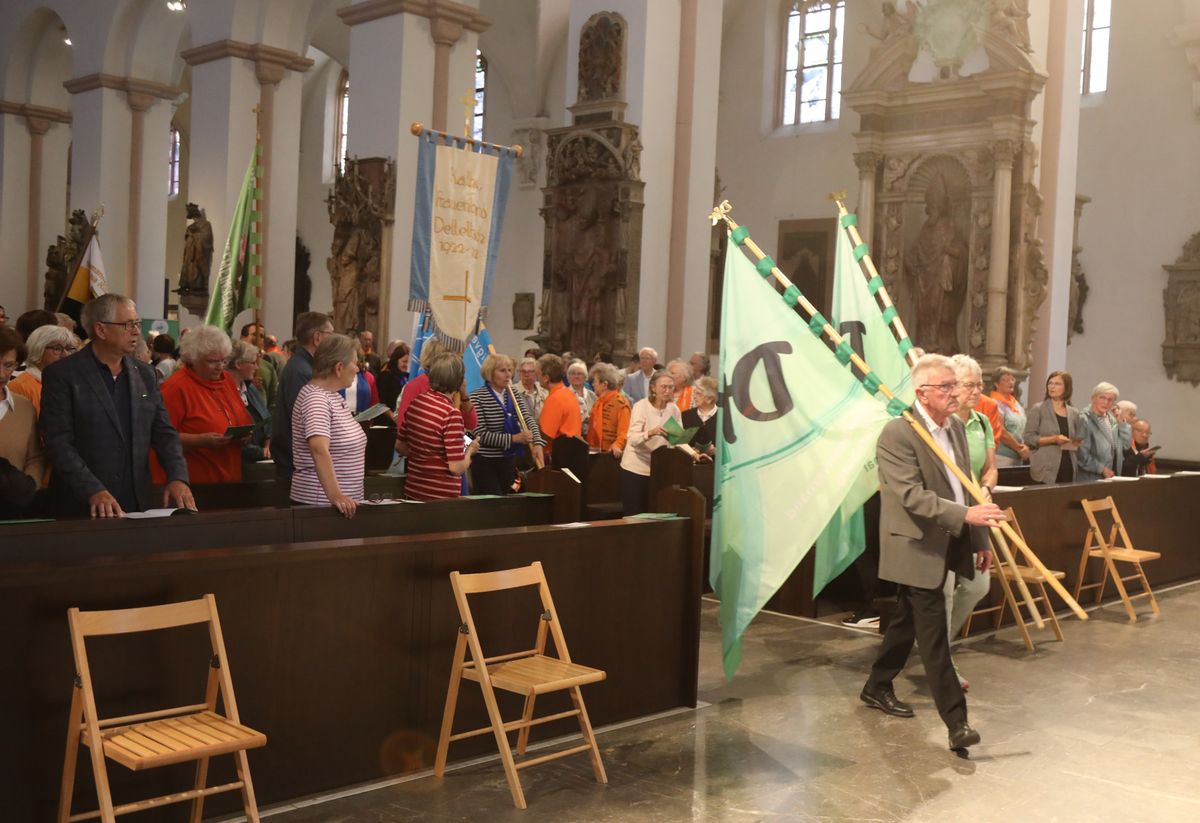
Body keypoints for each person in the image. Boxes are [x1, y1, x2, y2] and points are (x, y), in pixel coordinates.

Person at [860, 354, 1001, 751]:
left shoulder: (953, 428)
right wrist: (968, 516)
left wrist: (979, 539)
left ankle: (876, 684)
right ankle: (957, 722)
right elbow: (910, 496)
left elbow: (965, 487)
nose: (955, 393)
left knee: (906, 618)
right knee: (932, 629)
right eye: (947, 387)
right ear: (922, 392)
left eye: (955, 386)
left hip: (952, 535)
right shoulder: (898, 433)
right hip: (915, 543)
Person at [41, 294, 195, 517]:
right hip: (83, 505)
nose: (136, 331)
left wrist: (178, 477)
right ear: (101, 330)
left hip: (136, 501)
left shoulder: (145, 373)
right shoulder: (63, 375)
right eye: (128, 325)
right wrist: (93, 489)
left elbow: (164, 433)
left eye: (137, 324)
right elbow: (58, 443)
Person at [946, 354, 997, 690]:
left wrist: (987, 486)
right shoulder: (942, 423)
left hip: (975, 512)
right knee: (946, 590)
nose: (977, 390)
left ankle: (938, 643)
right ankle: (943, 659)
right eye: (969, 384)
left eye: (980, 384)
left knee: (979, 584)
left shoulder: (981, 423)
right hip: (947, 514)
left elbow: (990, 467)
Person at [154, 325, 253, 485]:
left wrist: (243, 436)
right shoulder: (176, 387)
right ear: (193, 359)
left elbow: (240, 417)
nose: (220, 366)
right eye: (212, 361)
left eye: (224, 360)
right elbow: (160, 437)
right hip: (195, 483)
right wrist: (200, 441)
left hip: (229, 480)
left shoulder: (226, 379)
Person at [290, 333, 368, 517]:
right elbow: (319, 449)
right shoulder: (316, 399)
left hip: (338, 505)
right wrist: (336, 495)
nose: (357, 369)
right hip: (321, 505)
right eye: (355, 363)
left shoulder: (330, 395)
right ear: (339, 368)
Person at [398, 353, 480, 501]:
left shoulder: (417, 402)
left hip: (414, 489)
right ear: (459, 381)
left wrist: (426, 457)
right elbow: (456, 468)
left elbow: (400, 447)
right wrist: (470, 450)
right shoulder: (451, 414)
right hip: (440, 497)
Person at [468, 353, 544, 494]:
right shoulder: (476, 397)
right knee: (493, 504)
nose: (508, 375)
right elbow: (480, 434)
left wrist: (538, 442)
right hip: (485, 462)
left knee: (508, 502)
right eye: (502, 371)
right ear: (490, 373)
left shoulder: (513, 394)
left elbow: (527, 418)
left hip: (508, 460)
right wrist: (515, 439)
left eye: (509, 370)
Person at [272, 311, 333, 480]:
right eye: (331, 334)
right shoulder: (301, 371)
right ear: (317, 337)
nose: (333, 340)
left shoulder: (305, 366)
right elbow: (305, 419)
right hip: (296, 463)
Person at [620, 370, 681, 516]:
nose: (667, 391)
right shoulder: (641, 406)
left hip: (659, 469)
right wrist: (650, 433)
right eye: (663, 387)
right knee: (634, 515)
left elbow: (679, 439)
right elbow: (633, 439)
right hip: (636, 468)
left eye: (671, 387)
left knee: (655, 515)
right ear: (653, 387)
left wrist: (694, 454)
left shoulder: (673, 409)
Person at [0, 327, 45, 486]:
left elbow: (35, 458)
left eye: (8, 365)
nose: (1, 374)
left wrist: (30, 486)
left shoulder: (24, 407)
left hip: (13, 507)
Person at [1023, 370, 1080, 485]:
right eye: (1050, 383)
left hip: (1068, 466)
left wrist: (1075, 442)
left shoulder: (1074, 412)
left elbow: (1077, 439)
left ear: (1066, 387)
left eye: (1057, 384)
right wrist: (1054, 439)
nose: (1052, 387)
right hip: (1044, 468)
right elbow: (1028, 438)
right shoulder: (1038, 409)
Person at [7, 324, 79, 415]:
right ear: (39, 350)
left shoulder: (70, 384)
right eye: (57, 349)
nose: (65, 355)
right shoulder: (21, 386)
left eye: (69, 349)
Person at [227, 339, 271, 464]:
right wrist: (261, 452)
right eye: (253, 363)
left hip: (258, 461)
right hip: (238, 463)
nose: (257, 367)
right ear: (238, 364)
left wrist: (268, 442)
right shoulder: (223, 392)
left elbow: (266, 419)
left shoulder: (250, 388)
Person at [537, 353, 582, 461]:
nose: (537, 377)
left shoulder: (555, 398)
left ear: (546, 378)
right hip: (572, 453)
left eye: (538, 374)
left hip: (558, 456)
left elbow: (545, 434)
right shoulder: (567, 393)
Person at [1076, 382, 1123, 482]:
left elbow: (1125, 446)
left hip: (1110, 477)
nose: (1106, 402)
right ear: (1093, 398)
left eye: (1110, 400)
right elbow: (1081, 454)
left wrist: (1121, 422)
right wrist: (1101, 469)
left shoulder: (1112, 419)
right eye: (1102, 398)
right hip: (1089, 479)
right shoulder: (1083, 419)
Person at [587, 363, 631, 457]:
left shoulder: (621, 403)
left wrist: (617, 445)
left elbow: (624, 432)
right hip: (594, 453)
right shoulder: (597, 403)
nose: (593, 384)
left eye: (595, 381)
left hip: (610, 456)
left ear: (604, 384)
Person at [989, 366, 1029, 466]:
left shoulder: (1016, 404)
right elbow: (1001, 431)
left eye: (1012, 379)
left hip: (1018, 456)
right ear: (996, 384)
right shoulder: (994, 403)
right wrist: (1019, 448)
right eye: (1005, 380)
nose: (1010, 382)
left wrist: (1024, 447)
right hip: (1002, 456)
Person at [240, 322, 278, 411]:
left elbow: (274, 398)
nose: (257, 339)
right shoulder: (233, 363)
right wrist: (248, 385)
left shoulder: (268, 367)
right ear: (242, 337)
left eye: (261, 336)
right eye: (254, 335)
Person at [681, 376, 719, 456]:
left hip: (714, 466)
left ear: (709, 399)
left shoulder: (723, 418)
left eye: (698, 394)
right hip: (690, 465)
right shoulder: (685, 416)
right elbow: (678, 443)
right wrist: (690, 451)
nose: (694, 397)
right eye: (694, 393)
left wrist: (716, 451)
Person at [339, 340, 379, 415]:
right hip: (339, 419)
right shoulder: (337, 375)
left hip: (362, 420)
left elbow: (374, 402)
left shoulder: (368, 377)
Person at [375, 341, 410, 412]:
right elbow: (381, 403)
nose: (406, 365)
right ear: (396, 360)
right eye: (404, 361)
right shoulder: (385, 376)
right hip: (386, 420)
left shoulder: (406, 377)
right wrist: (394, 417)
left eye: (408, 362)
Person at [566, 360, 596, 437]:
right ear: (568, 377)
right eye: (573, 374)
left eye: (579, 374)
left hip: (590, 436)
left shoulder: (592, 396)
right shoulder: (563, 394)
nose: (576, 376)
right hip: (570, 436)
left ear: (585, 377)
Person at [515, 357, 548, 421]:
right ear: (519, 373)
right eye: (523, 371)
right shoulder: (513, 391)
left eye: (531, 371)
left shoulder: (544, 390)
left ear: (537, 373)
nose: (526, 374)